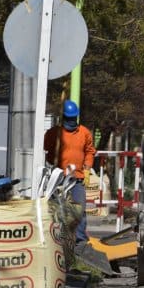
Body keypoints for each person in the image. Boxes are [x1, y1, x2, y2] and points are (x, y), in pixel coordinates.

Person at [44, 100, 96, 244]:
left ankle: (80, 241)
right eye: (69, 118)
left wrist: (87, 167)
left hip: (76, 178)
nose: (71, 121)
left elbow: (90, 152)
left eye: (73, 118)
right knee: (56, 210)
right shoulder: (54, 133)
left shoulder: (84, 133)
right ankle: (56, 239)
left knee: (79, 209)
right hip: (58, 178)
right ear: (64, 117)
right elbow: (47, 150)